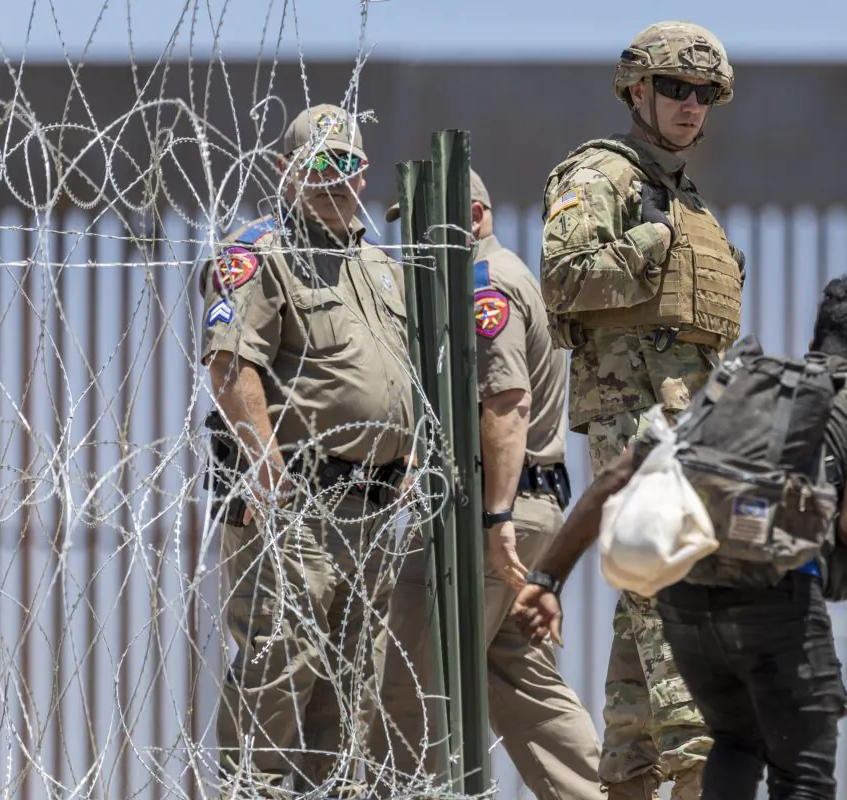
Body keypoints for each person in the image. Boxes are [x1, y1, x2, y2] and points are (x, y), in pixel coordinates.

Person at [512, 274, 847, 800]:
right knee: (801, 774)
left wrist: (547, 578)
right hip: (777, 606)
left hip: (687, 604)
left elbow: (619, 475)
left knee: (735, 744)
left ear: (814, 342)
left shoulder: (742, 381)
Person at [534, 19, 744, 800]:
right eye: (675, 89)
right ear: (636, 91)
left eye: (703, 94)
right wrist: (649, 247)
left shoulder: (683, 198)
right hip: (637, 422)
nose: (692, 106)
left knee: (646, 621)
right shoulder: (603, 175)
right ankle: (696, 776)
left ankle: (628, 779)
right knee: (678, 610)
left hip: (689, 427)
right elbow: (564, 280)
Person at [368, 170, 604, 799]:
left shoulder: (485, 285)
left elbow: (506, 403)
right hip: (525, 504)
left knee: (407, 684)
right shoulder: (498, 278)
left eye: (425, 226)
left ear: (472, 217)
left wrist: (497, 519)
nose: (413, 244)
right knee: (527, 690)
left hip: (491, 516)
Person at [201, 103, 413, 797]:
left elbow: (396, 375)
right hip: (296, 504)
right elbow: (230, 364)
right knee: (279, 670)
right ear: (285, 171)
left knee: (349, 686)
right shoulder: (259, 253)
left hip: (371, 509)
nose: (332, 181)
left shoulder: (380, 265)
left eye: (345, 166)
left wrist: (403, 454)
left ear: (364, 171)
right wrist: (266, 467)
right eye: (316, 166)